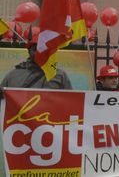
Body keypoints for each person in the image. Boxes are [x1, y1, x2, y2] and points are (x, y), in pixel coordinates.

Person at [0, 36, 72, 176]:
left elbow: (71, 103)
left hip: (52, 134)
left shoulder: (60, 75)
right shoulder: (13, 75)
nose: (39, 52)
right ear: (29, 51)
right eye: (35, 49)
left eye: (43, 49)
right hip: (21, 135)